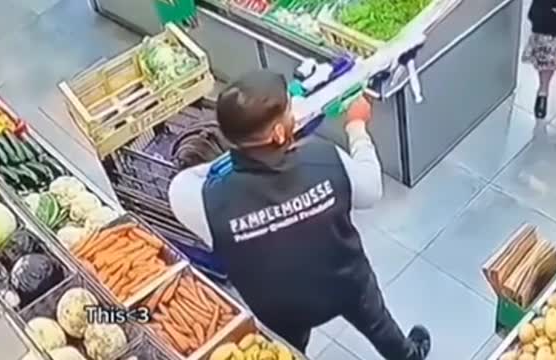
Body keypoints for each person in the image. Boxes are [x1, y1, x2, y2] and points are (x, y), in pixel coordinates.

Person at [168, 70, 431, 360]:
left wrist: (247, 150)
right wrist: (356, 127)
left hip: (277, 307)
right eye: (289, 112)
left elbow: (184, 180)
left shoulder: (203, 199)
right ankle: (408, 356)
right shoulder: (324, 158)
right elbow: (371, 189)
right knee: (379, 325)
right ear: (279, 132)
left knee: (288, 352)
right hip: (346, 282)